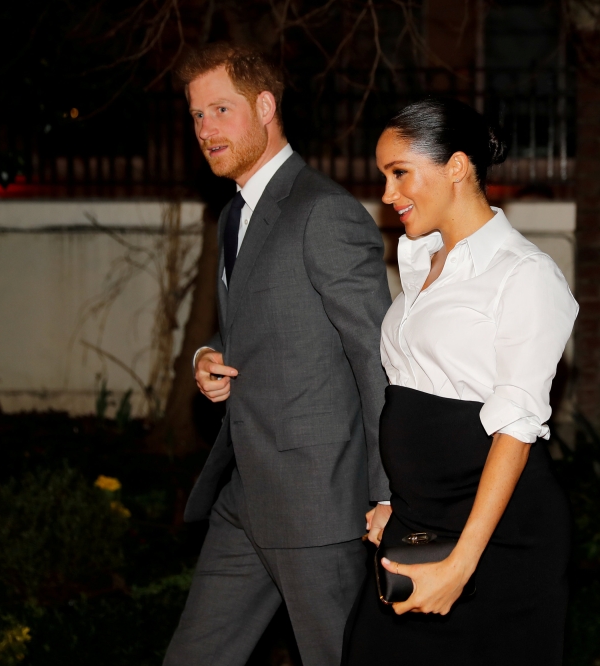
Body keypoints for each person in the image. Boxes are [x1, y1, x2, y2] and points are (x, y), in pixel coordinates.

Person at [163, 43, 393, 666]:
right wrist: (207, 358)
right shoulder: (234, 214)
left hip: (317, 507)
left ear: (265, 106)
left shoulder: (323, 212)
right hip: (245, 496)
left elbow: (376, 357)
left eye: (220, 109)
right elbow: (249, 329)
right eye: (196, 115)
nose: (206, 129)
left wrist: (388, 491)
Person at [343, 98, 577, 664]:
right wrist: (398, 502)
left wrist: (461, 564)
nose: (388, 193)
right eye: (383, 177)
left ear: (456, 166)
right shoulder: (420, 263)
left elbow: (516, 428)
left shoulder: (525, 275)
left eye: (400, 173)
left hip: (495, 537)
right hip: (422, 520)